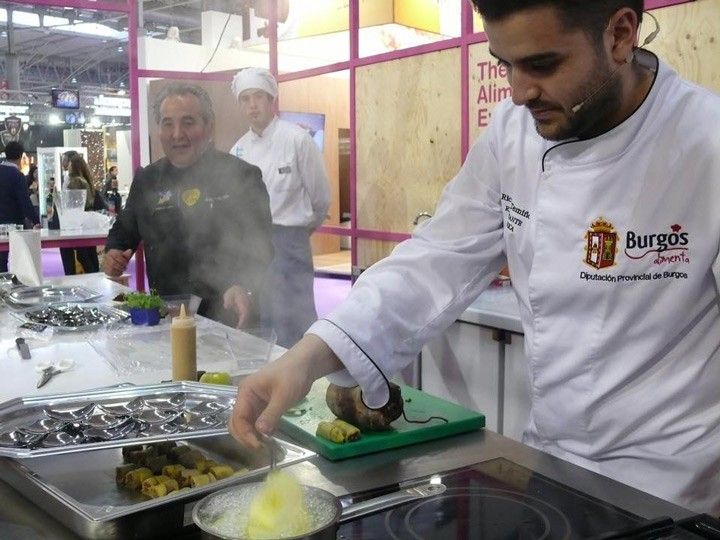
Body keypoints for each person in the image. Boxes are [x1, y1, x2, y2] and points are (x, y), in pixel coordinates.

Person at [230, 0, 720, 515]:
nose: (518, 92)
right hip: (554, 466)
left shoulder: (705, 141)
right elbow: (438, 256)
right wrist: (308, 356)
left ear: (620, 35)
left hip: (673, 490)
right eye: (505, 65)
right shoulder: (513, 132)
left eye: (543, 64)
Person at [103, 82, 273, 327]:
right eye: (167, 123)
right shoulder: (147, 180)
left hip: (229, 315)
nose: (177, 134)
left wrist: (243, 286)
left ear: (209, 126)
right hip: (167, 318)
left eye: (188, 122)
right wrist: (113, 252)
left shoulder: (242, 176)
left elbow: (262, 245)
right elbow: (123, 231)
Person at [230, 67, 331, 347]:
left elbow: (320, 198)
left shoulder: (297, 139)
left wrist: (297, 234)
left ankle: (305, 384)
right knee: (262, 320)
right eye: (245, 98)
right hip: (252, 247)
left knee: (296, 321)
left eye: (258, 96)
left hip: (291, 245)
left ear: (271, 99)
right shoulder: (237, 151)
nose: (252, 105)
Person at [62, 154, 107, 273]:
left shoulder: (75, 181)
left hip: (78, 224)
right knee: (90, 255)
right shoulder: (87, 181)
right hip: (89, 224)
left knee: (82, 258)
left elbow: (73, 204)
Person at [0, 142, 40, 271]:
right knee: (21, 257)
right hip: (14, 223)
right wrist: (36, 220)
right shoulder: (17, 175)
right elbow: (24, 201)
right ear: (21, 156)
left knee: (1, 258)